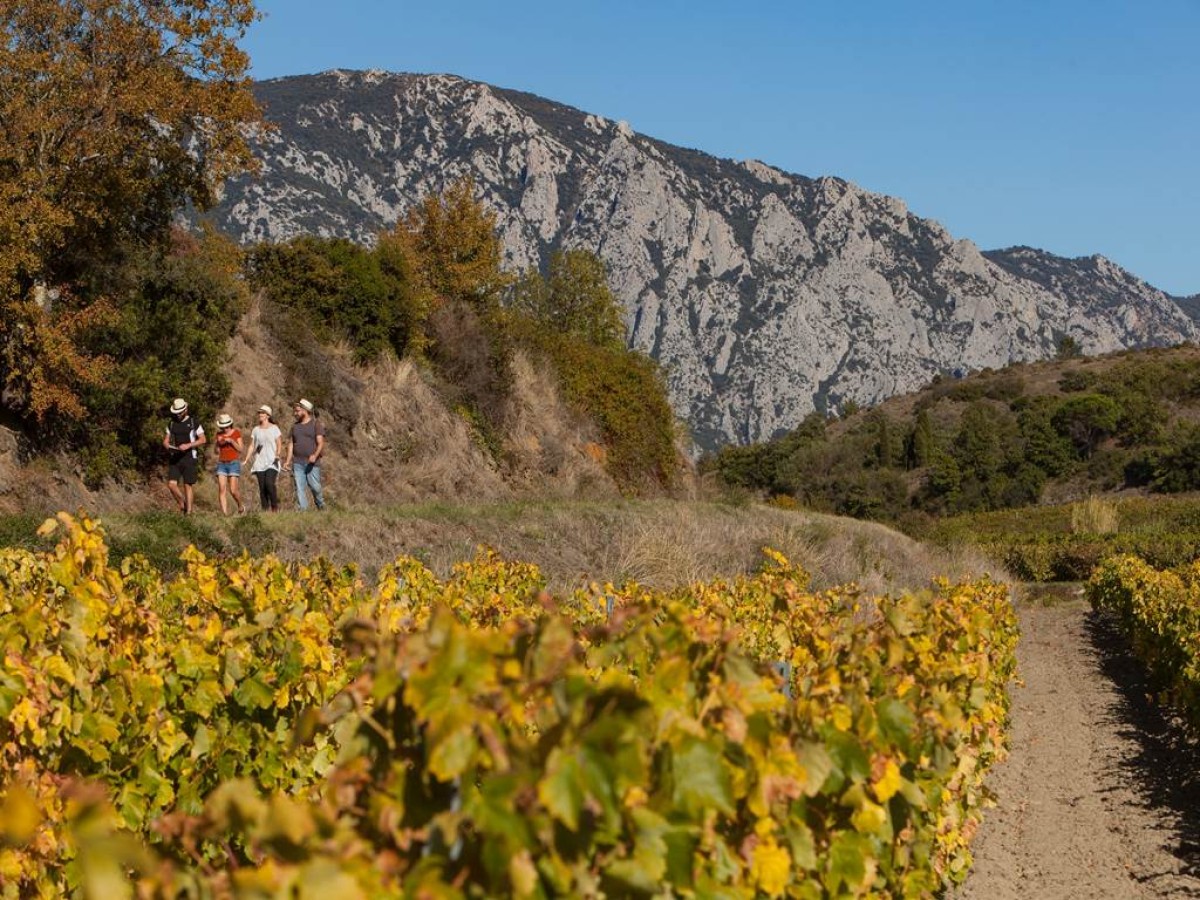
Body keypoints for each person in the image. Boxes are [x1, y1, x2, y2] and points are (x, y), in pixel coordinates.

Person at [163, 398, 205, 514]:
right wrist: (167, 445)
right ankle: (183, 503)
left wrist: (188, 445)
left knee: (187, 485)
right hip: (175, 457)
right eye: (176, 412)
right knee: (171, 485)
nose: (178, 414)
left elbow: (203, 439)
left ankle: (189, 513)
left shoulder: (193, 422)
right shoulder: (171, 423)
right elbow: (166, 440)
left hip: (189, 457)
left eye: (180, 412)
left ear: (185, 410)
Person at [285, 398, 326, 511]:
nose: (295, 413)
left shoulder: (316, 424)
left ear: (305, 410)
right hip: (297, 462)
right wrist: (287, 461)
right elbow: (291, 444)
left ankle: (321, 506)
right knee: (299, 488)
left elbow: (320, 443)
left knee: (315, 487)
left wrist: (315, 455)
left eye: (298, 411)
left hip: (312, 463)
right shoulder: (294, 426)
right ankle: (303, 511)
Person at [244, 404, 282, 512]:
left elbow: (279, 443)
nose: (260, 414)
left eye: (262, 413)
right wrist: (246, 459)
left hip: (272, 461)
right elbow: (252, 445)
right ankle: (265, 511)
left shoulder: (274, 428)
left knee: (269, 484)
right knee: (262, 488)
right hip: (259, 462)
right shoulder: (256, 429)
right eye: (260, 413)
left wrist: (277, 455)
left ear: (268, 415)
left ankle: (274, 508)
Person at [213, 413, 246, 516]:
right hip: (222, 463)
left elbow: (241, 449)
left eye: (227, 426)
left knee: (233, 490)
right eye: (223, 427)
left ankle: (240, 505)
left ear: (230, 425)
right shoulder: (219, 434)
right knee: (222, 489)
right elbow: (216, 451)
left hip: (233, 463)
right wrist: (217, 443)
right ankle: (225, 514)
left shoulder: (236, 433)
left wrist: (231, 441)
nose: (225, 429)